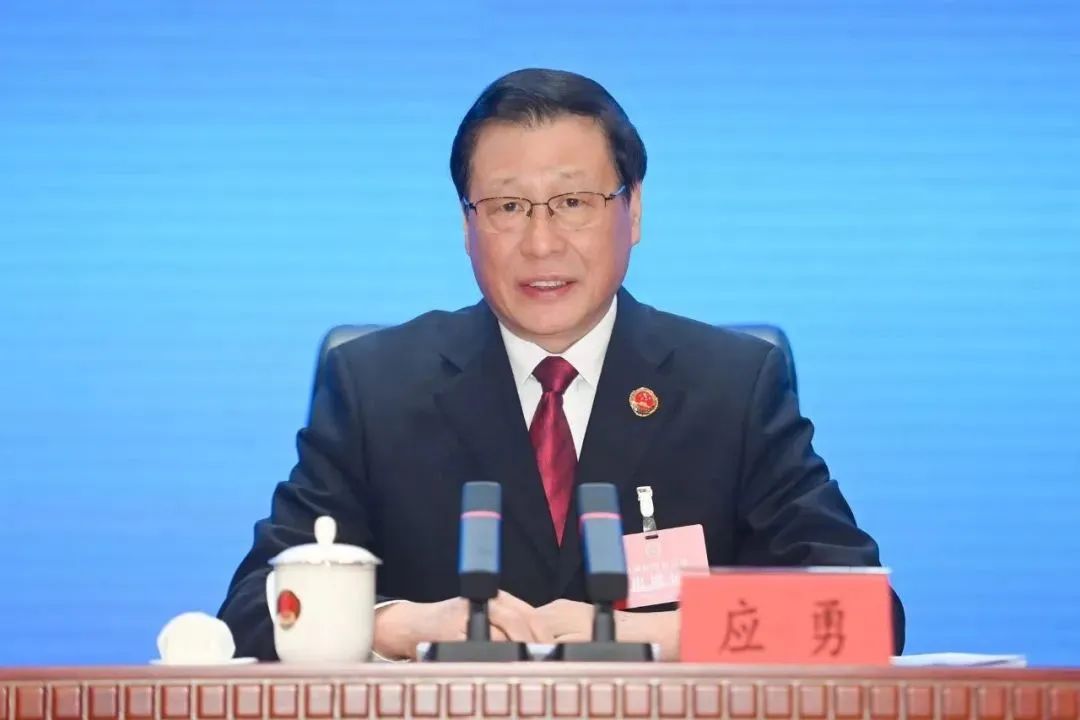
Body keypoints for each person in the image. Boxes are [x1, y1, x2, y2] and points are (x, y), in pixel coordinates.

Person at [218, 67, 905, 660]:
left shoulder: (732, 387)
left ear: (633, 211)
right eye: (507, 206)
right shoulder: (376, 386)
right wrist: (402, 626)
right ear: (466, 226)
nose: (541, 243)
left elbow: (863, 616)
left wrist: (650, 635)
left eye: (573, 202)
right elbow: (253, 611)